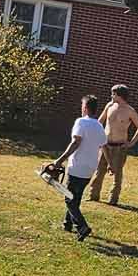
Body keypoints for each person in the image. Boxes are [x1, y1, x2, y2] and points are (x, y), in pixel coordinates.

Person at [50, 95, 107, 240]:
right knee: (76, 197)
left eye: (82, 106)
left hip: (77, 166)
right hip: (90, 168)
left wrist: (60, 160)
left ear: (85, 108)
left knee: (69, 199)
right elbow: (103, 147)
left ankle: (82, 227)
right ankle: (67, 223)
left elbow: (76, 142)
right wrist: (111, 164)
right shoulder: (100, 126)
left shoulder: (81, 122)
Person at [89, 83, 138, 206]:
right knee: (99, 170)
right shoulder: (109, 106)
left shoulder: (130, 111)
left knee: (117, 173)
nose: (111, 96)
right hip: (105, 144)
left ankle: (113, 200)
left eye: (113, 94)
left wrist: (131, 143)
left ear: (119, 95)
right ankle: (93, 196)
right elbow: (100, 121)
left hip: (120, 147)